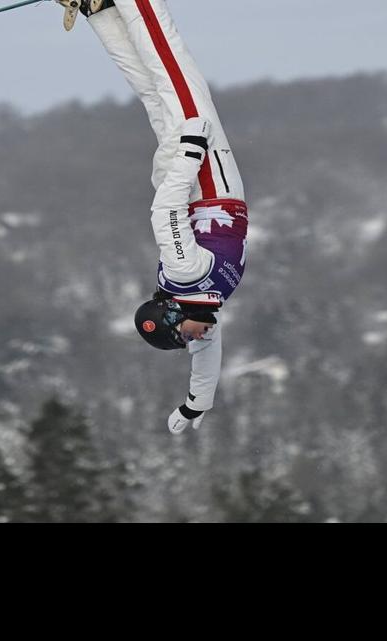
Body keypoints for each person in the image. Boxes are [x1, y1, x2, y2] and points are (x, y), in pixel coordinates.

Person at [64, 0, 249, 435]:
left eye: (183, 335)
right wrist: (194, 405)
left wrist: (189, 150)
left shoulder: (187, 275)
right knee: (156, 92)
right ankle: (101, 12)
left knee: (175, 74)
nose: (195, 339)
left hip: (203, 176)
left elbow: (165, 211)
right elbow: (207, 360)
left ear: (171, 315)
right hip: (201, 183)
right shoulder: (204, 306)